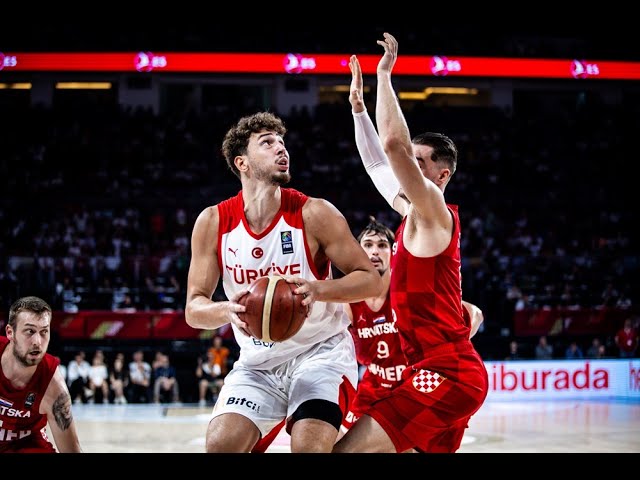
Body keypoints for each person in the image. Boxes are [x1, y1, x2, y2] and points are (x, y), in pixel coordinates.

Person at [185, 111, 382, 453]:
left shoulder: (314, 213)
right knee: (221, 446)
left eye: (282, 142)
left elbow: (370, 281)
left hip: (321, 353)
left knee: (308, 447)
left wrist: (317, 289)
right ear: (241, 162)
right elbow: (193, 308)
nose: (281, 149)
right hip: (258, 362)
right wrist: (225, 310)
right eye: (267, 143)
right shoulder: (213, 222)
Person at [333, 33, 489, 453]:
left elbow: (392, 145)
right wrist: (359, 110)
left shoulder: (435, 213)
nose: (408, 171)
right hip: (428, 368)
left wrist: (384, 76)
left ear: (442, 177)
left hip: (449, 372)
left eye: (419, 165)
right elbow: (375, 162)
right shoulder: (411, 215)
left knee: (349, 451)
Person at [339, 217, 484, 447]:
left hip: (415, 385)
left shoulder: (406, 295)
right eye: (367, 245)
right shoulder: (348, 303)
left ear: (393, 251)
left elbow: (475, 313)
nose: (374, 251)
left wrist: (453, 339)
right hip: (373, 388)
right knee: (336, 443)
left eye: (382, 245)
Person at [0, 296, 82, 453]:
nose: (37, 341)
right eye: (30, 331)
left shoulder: (54, 387)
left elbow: (72, 450)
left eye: (44, 331)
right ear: (10, 332)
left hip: (25, 445)